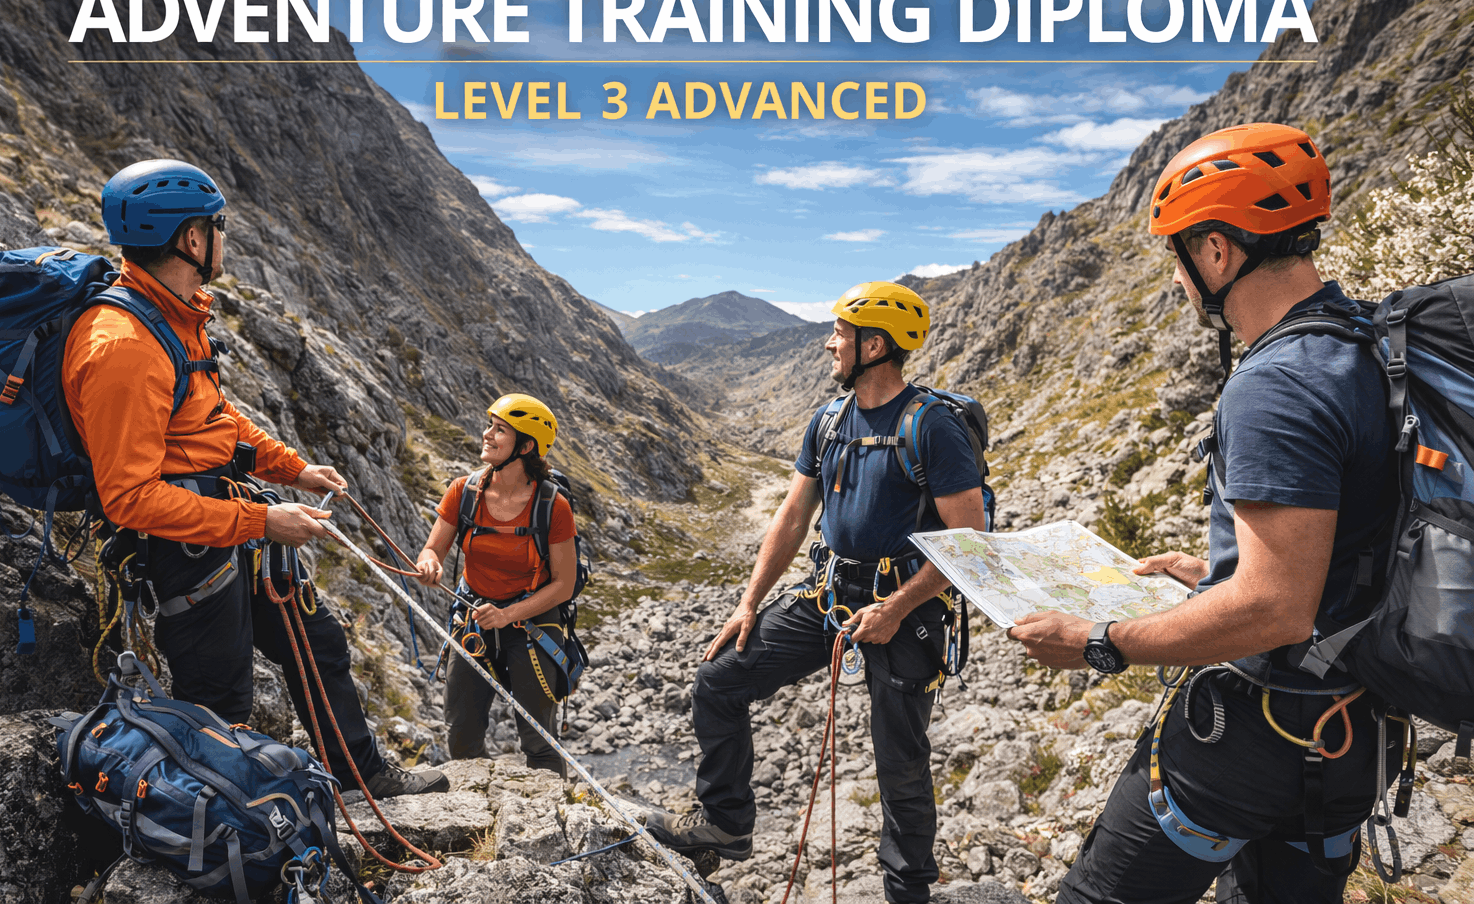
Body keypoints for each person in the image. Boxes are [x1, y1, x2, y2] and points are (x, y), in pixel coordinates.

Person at [1008, 123, 1406, 903]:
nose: (1181, 278)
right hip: (1352, 735)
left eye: (1179, 254)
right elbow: (1358, 537)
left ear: (1217, 251)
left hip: (1253, 732)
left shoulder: (1277, 381)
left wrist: (1097, 642)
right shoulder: (1365, 345)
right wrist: (1214, 570)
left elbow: (1274, 609)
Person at [64, 158, 447, 798]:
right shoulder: (123, 345)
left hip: (224, 522)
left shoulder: (170, 314)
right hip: (186, 548)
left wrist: (292, 469)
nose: (225, 239)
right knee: (217, 692)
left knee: (315, 641)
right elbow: (129, 498)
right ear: (191, 239)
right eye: (219, 227)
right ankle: (223, 832)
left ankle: (361, 777)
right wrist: (264, 519)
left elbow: (214, 418)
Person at [647, 281, 986, 904]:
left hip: (903, 608)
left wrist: (898, 607)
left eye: (842, 334)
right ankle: (724, 823)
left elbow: (970, 540)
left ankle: (907, 891)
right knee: (720, 679)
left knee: (899, 759)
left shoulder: (931, 426)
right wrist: (749, 602)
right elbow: (792, 516)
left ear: (875, 345)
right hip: (829, 594)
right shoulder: (829, 420)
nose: (830, 343)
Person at [414, 393, 577, 777]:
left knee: (540, 742)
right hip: (474, 619)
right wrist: (428, 562)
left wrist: (508, 615)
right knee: (461, 736)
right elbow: (432, 548)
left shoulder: (552, 505)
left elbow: (564, 584)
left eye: (499, 429)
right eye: (489, 425)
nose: (486, 434)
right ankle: (479, 820)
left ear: (525, 446)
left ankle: (551, 821)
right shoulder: (463, 492)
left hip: (532, 623)